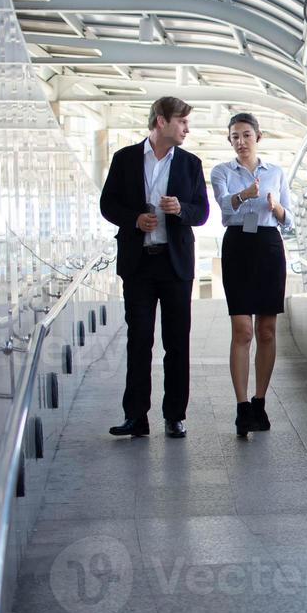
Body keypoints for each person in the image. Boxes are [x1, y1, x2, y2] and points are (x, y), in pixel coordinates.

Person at [100, 96, 209, 438]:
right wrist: (134, 219)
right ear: (161, 121)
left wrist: (180, 209)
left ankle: (175, 415)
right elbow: (107, 204)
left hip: (176, 265)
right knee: (139, 341)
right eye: (182, 122)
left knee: (176, 343)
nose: (186, 129)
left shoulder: (191, 163)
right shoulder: (125, 159)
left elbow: (202, 212)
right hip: (138, 265)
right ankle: (136, 417)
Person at [209, 112, 292, 437]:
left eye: (246, 135)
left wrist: (277, 208)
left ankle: (260, 401)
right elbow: (224, 209)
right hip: (238, 246)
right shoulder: (221, 172)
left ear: (259, 136)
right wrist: (245, 195)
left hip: (269, 245)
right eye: (234, 137)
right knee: (242, 329)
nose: (240, 142)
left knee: (267, 330)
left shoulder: (276, 172)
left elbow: (290, 220)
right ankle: (242, 406)